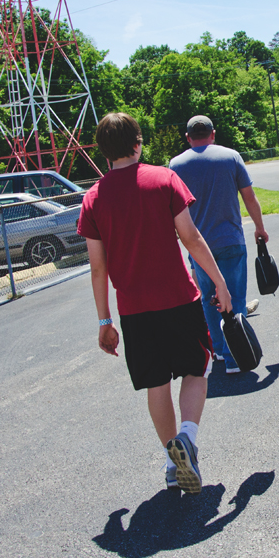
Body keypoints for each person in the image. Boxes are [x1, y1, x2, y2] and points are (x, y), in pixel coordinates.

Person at [78, 113, 232, 494]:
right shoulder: (163, 179)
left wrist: (104, 321)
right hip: (179, 299)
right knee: (198, 370)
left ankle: (170, 461)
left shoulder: (93, 198)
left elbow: (97, 269)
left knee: (156, 383)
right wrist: (220, 282)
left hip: (134, 310)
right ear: (138, 143)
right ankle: (188, 439)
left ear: (104, 152)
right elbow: (191, 238)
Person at [170, 115, 268, 374]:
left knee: (209, 299)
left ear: (188, 138)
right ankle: (237, 357)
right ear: (213, 133)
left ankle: (221, 353)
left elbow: (170, 209)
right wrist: (259, 227)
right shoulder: (231, 157)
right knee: (235, 298)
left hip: (198, 246)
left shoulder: (176, 165)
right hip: (231, 241)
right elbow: (249, 197)